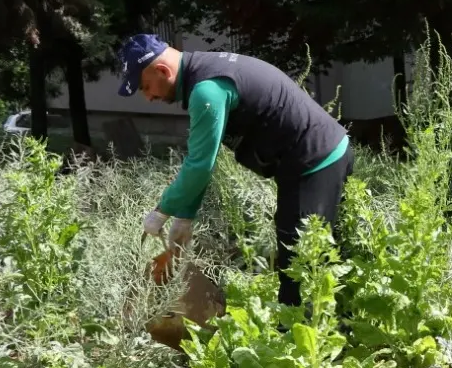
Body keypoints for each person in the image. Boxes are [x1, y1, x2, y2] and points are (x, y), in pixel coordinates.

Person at [118, 34, 353, 306]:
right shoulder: (205, 75)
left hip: (316, 160)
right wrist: (184, 216)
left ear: (162, 70)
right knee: (318, 255)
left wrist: (162, 211)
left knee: (301, 261)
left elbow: (200, 165)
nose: (148, 98)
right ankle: (334, 326)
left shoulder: (207, 90)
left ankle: (300, 341)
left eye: (145, 87)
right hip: (317, 156)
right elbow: (203, 159)